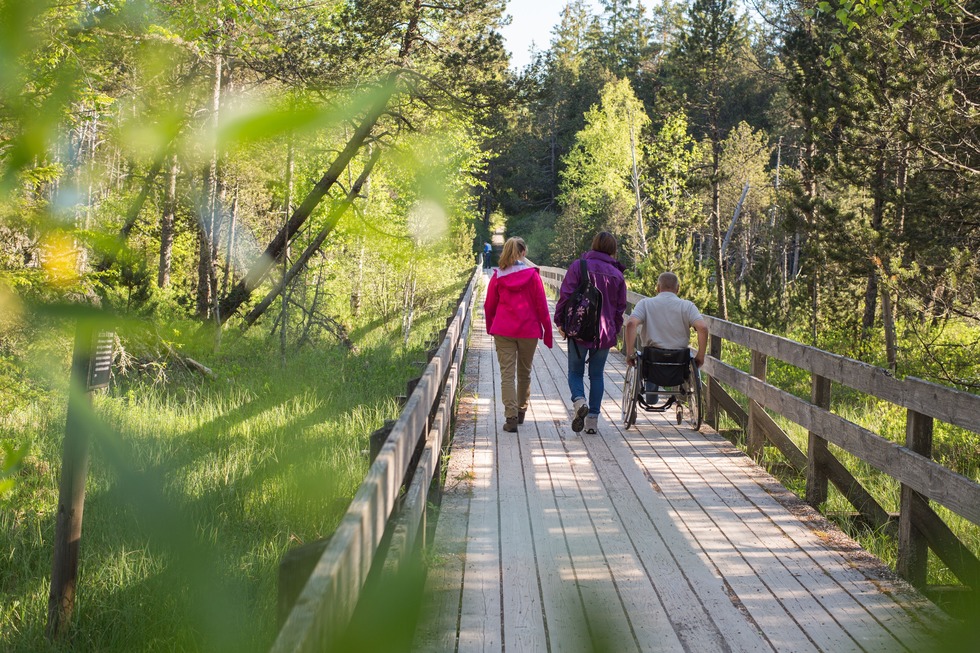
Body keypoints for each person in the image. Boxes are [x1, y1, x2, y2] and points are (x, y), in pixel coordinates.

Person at [554, 232, 627, 434]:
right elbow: (620, 308)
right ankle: (592, 420)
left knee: (575, 372)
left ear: (593, 245)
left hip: (579, 328)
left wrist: (559, 320)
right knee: (597, 375)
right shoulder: (617, 275)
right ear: (613, 249)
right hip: (604, 333)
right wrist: (615, 330)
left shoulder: (579, 266)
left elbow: (566, 295)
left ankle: (579, 401)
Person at [484, 237, 554, 433]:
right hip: (528, 331)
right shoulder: (532, 276)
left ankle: (511, 416)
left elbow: (489, 305)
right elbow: (542, 306)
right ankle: (521, 411)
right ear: (523, 253)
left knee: (507, 374)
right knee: (524, 372)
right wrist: (547, 332)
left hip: (504, 330)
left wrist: (491, 326)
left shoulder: (498, 276)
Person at [623, 272, 708, 401]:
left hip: (651, 362)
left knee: (647, 359)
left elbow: (630, 324)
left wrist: (630, 352)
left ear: (658, 288)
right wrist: (700, 356)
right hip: (679, 363)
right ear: (678, 288)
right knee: (680, 362)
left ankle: (650, 398)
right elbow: (703, 328)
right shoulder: (687, 306)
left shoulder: (645, 304)